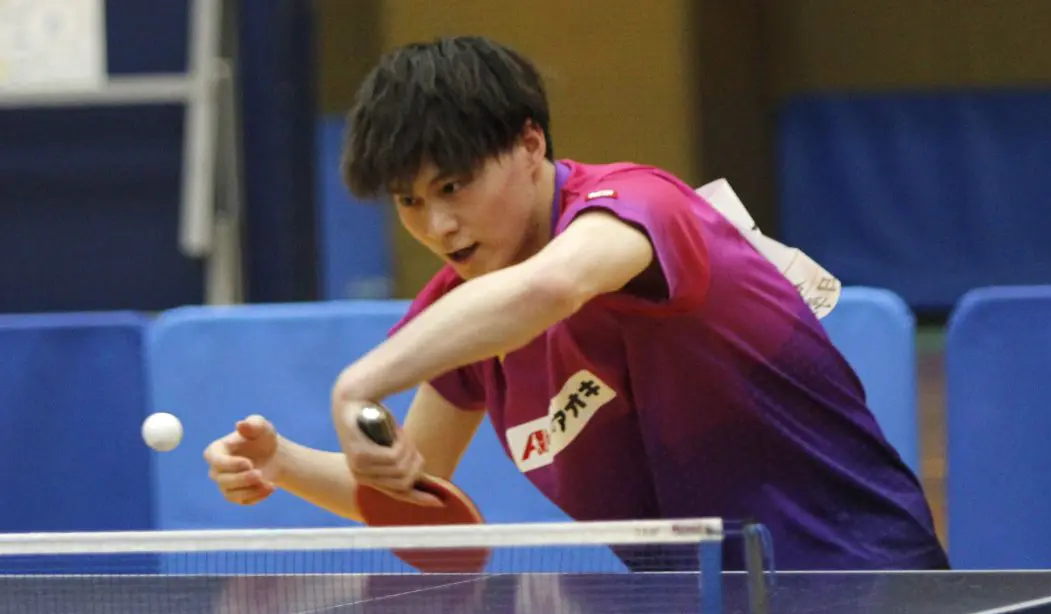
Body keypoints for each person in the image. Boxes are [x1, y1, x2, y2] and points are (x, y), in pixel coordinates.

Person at [203, 36, 949, 571]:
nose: (439, 226)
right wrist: (281, 463)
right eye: (410, 201)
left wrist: (357, 384)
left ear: (531, 144)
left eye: (454, 186)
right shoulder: (464, 311)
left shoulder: (637, 209)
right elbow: (418, 493)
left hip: (858, 587)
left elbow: (552, 287)